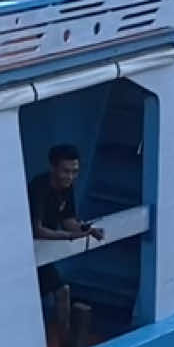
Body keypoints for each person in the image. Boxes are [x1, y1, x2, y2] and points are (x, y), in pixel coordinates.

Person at [28, 144, 103, 336]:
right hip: (29, 251)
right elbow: (37, 230)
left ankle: (66, 339)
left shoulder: (67, 187)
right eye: (65, 171)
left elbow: (68, 220)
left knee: (63, 291)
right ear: (53, 168)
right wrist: (69, 236)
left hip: (43, 251)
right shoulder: (39, 187)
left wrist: (87, 230)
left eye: (75, 172)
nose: (70, 177)